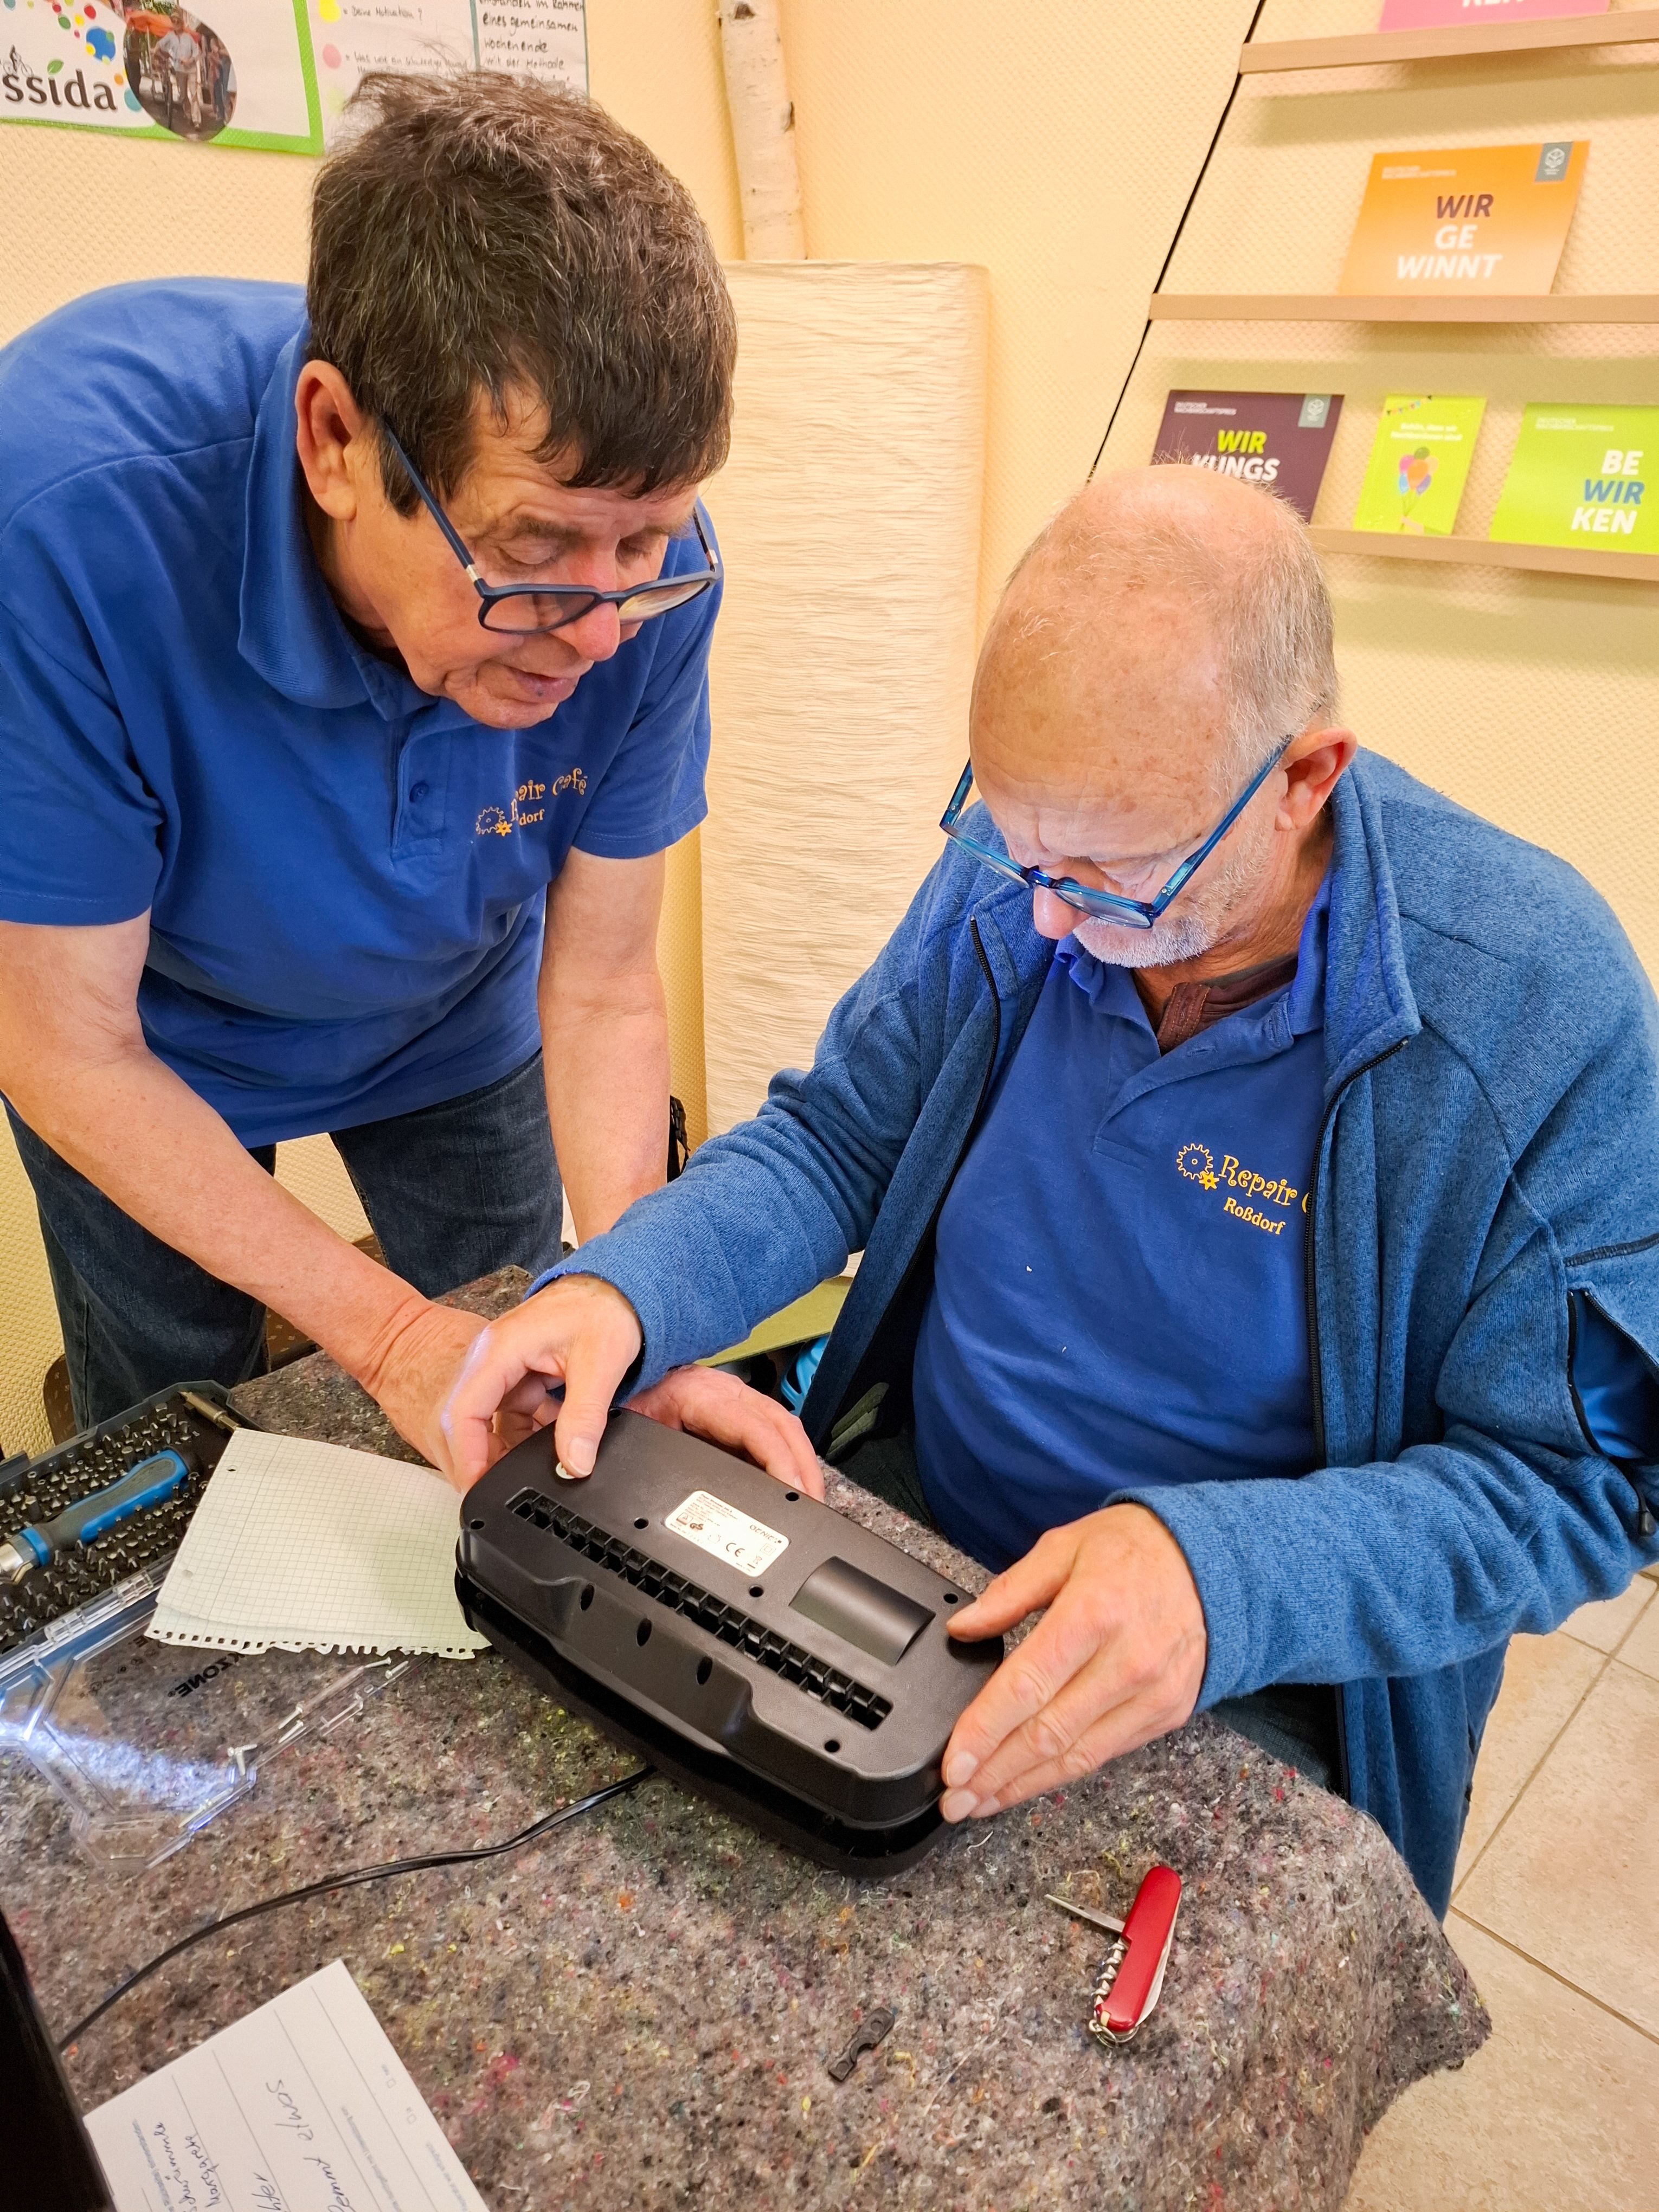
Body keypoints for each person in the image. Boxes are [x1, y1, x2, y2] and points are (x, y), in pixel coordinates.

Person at [438, 467, 1659, 1915]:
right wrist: (627, 1286)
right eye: (1011, 847)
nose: (1045, 918)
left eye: (1112, 877)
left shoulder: (1533, 1010)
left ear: (1303, 780)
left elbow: (1582, 1487)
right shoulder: (1036, 870)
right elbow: (835, 1140)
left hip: (1249, 1658)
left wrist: (1221, 1578)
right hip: (914, 1522)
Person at [0, 74, 735, 1467]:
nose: (595, 635)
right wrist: (391, 1342)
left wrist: (643, 1307)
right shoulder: (60, 518)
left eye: (641, 546)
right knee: (178, 1436)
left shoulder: (642, 576)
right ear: (335, 442)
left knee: (541, 1379)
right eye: (529, 555)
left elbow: (600, 984)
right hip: (152, 1047)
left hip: (457, 1018)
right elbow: (63, 1046)